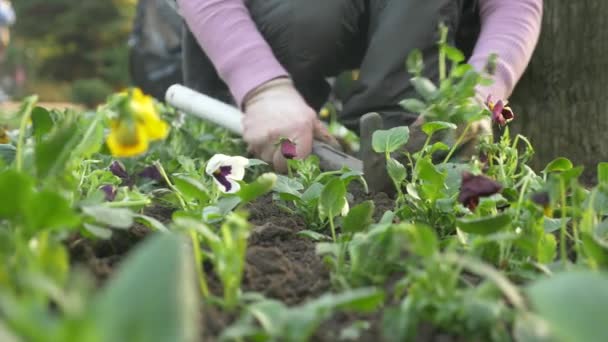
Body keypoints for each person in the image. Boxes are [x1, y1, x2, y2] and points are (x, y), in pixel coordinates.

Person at [176, 0, 543, 171]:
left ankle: (397, 152)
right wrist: (262, 88)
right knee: (309, 13)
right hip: (286, 20)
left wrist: (475, 96)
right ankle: (275, 127)